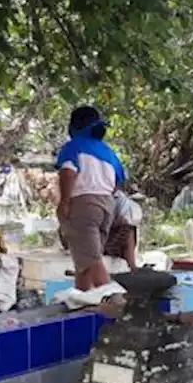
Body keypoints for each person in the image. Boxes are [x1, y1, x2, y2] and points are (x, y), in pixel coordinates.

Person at [56, 106, 126, 291]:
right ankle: (83, 298)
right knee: (85, 259)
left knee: (92, 261)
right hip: (107, 206)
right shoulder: (109, 152)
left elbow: (68, 172)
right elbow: (119, 181)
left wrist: (64, 203)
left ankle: (117, 304)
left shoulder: (73, 147)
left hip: (83, 205)